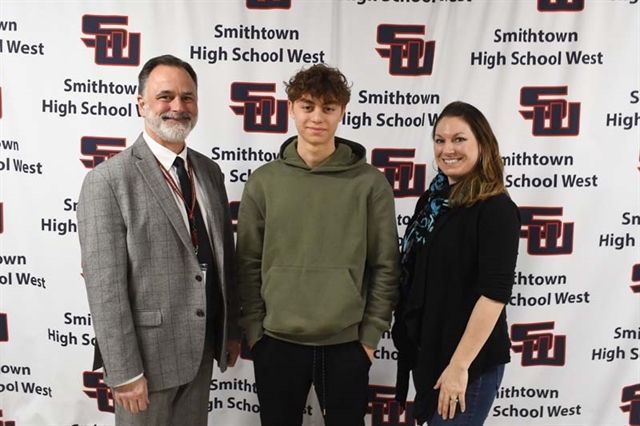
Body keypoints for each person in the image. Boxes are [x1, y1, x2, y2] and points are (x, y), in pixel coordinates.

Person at [77, 54, 240, 426]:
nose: (177, 107)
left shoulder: (209, 171)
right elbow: (105, 289)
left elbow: (223, 258)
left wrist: (229, 330)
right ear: (142, 104)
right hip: (145, 364)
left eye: (187, 97)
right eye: (165, 96)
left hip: (201, 348)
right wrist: (123, 372)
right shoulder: (108, 181)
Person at [235, 63, 400, 426]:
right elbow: (247, 262)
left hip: (346, 344)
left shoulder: (370, 183)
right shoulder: (264, 182)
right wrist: (255, 332)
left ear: (342, 111)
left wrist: (370, 338)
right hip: (276, 342)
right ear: (291, 108)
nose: (317, 117)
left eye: (328, 107)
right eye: (308, 106)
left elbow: (386, 264)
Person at [392, 101, 521, 425]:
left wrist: (459, 366)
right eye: (440, 140)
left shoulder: (496, 209)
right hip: (432, 353)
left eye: (459, 139)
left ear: (483, 144)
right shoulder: (433, 201)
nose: (448, 149)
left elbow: (494, 295)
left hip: (468, 364)